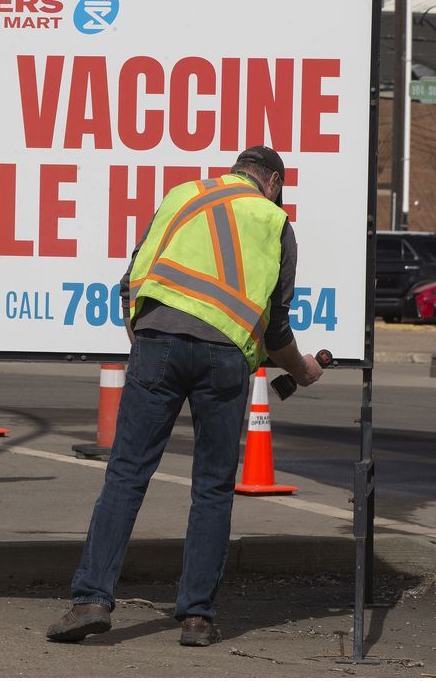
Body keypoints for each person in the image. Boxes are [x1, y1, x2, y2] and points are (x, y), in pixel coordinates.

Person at [46, 146, 323, 647]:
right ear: (274, 182)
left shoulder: (182, 196)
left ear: (234, 172)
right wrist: (301, 370)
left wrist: (145, 342)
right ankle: (197, 618)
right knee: (212, 487)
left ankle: (90, 601)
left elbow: (130, 283)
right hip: (225, 360)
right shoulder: (275, 221)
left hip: (158, 344)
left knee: (127, 474)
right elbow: (277, 324)